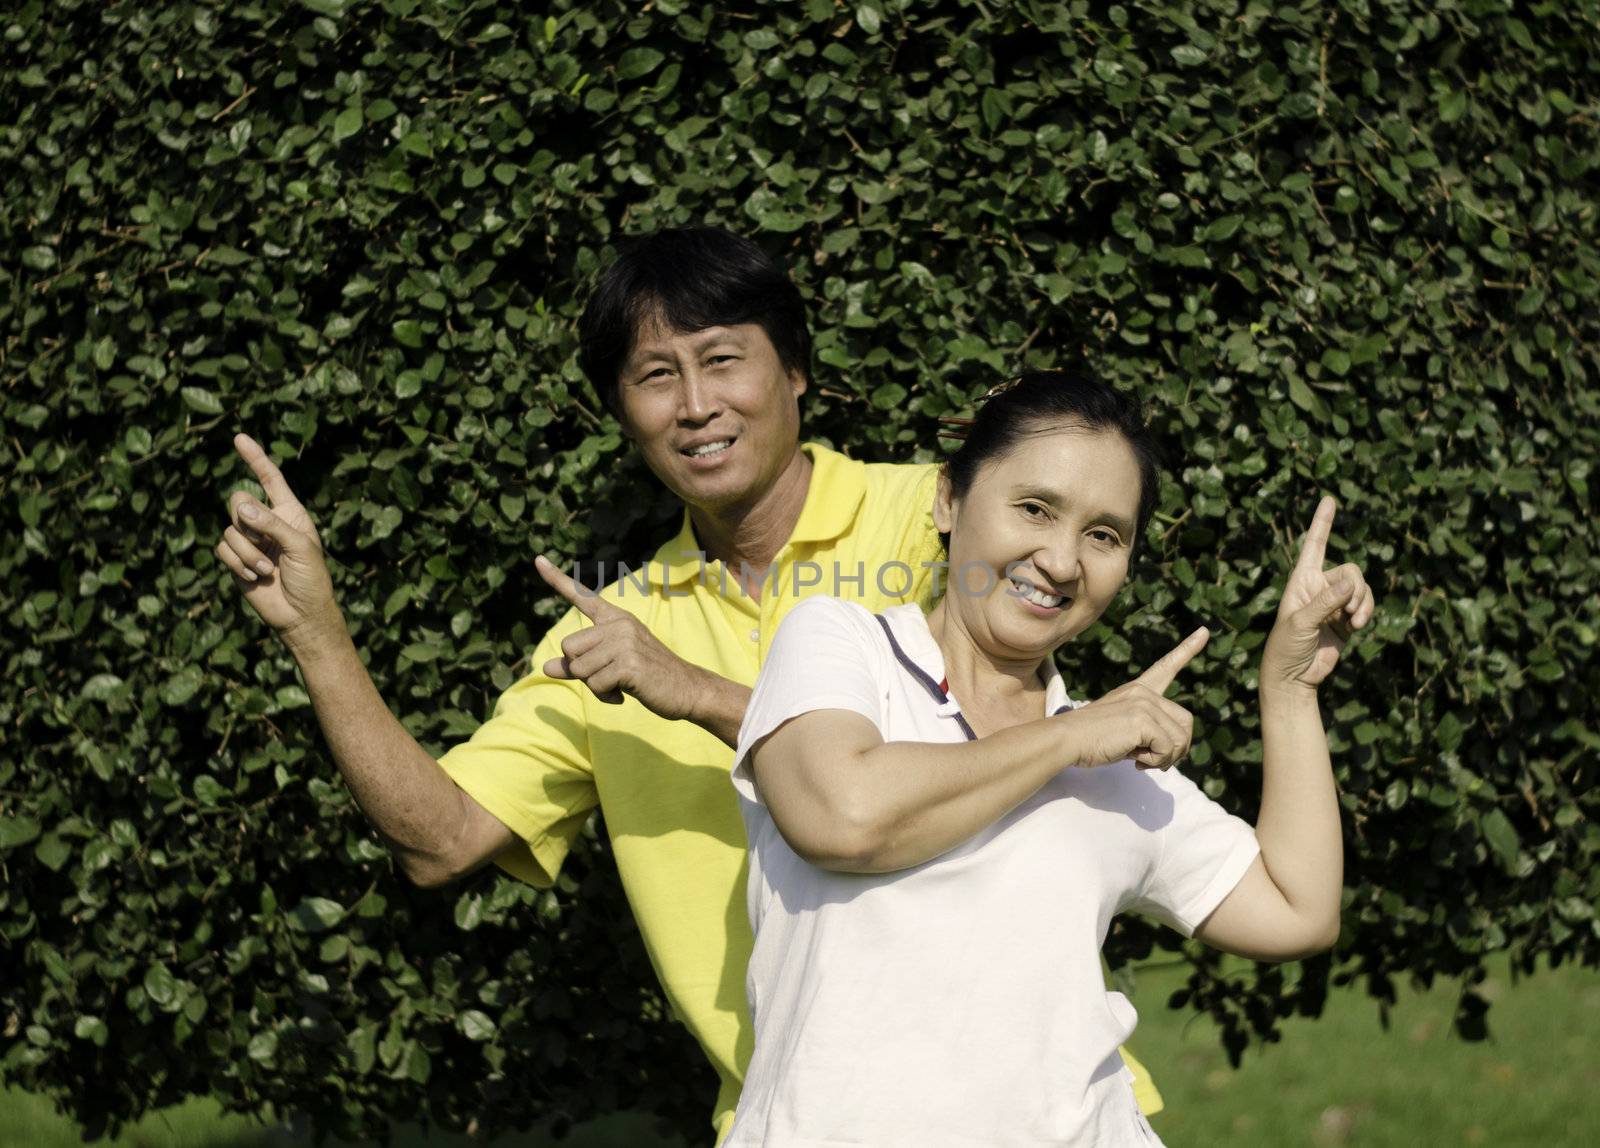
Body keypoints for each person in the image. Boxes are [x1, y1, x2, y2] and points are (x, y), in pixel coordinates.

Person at [212, 229, 1162, 1141]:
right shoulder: (611, 637)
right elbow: (443, 840)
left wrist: (698, 693)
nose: (696, 404)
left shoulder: (940, 519)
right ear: (623, 411)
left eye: (723, 359)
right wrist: (318, 636)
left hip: (1054, 1108)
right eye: (656, 376)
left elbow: (999, 753)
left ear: (795, 371)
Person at [727, 371, 1373, 1145]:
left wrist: (1290, 689)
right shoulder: (843, 645)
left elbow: (1297, 911)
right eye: (1034, 509)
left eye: (1104, 535)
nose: (1063, 561)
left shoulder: (1111, 758)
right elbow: (843, 815)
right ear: (948, 501)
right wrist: (1069, 739)